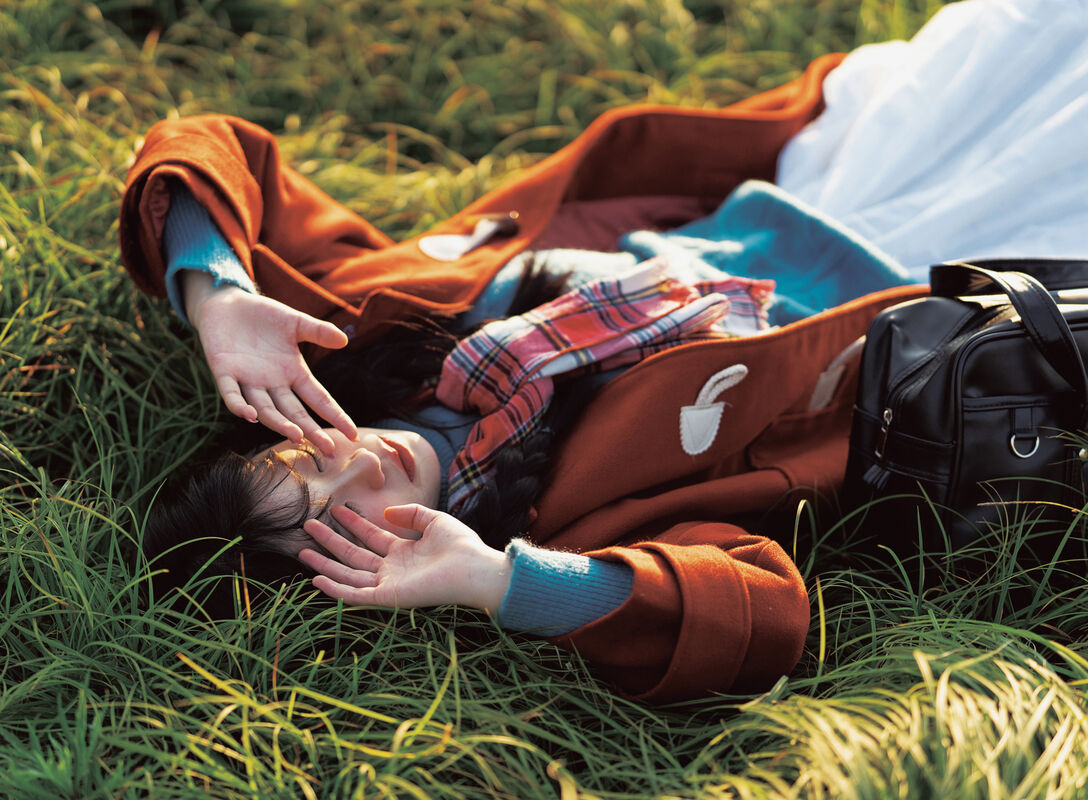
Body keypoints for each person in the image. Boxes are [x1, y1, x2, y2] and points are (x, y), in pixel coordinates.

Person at [119, 52, 926, 704]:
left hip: (786, 177)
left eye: (305, 460)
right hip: (904, 289)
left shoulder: (356, 333)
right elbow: (763, 616)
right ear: (362, 582)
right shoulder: (574, 526)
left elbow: (199, 147)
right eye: (344, 523)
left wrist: (219, 296)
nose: (360, 461)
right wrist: (497, 580)